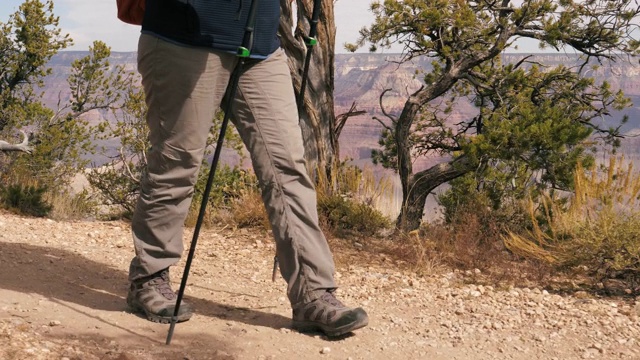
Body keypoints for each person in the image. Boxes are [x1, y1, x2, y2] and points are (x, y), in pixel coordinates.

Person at [124, 0, 369, 338]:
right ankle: (148, 278)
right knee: (176, 163)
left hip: (262, 47)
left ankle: (313, 294)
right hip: (183, 40)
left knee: (287, 169)